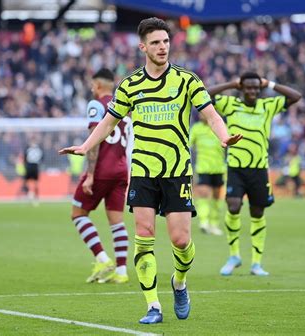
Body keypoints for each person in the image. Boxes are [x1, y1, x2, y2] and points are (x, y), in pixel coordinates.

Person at [59, 17, 242, 324]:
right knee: (144, 236)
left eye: (166, 42)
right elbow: (108, 122)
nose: (162, 47)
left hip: (177, 171)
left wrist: (224, 137)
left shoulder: (187, 80)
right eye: (155, 42)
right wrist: (84, 145)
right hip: (143, 171)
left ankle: (179, 283)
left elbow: (210, 115)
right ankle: (153, 306)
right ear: (143, 46)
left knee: (181, 241)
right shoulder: (131, 85)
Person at [208, 72, 301, 277]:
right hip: (236, 168)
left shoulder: (267, 106)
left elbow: (296, 97)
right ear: (242, 88)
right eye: (248, 87)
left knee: (257, 213)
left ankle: (256, 263)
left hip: (259, 170)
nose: (252, 91)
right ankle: (234, 255)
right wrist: (230, 84)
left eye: (256, 88)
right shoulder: (229, 104)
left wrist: (271, 84)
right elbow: (205, 95)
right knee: (233, 205)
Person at [70, 68, 131, 284]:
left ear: (97, 85)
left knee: (78, 213)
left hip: (102, 170)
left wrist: (90, 175)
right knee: (117, 222)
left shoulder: (96, 105)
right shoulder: (124, 108)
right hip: (121, 169)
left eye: (91, 84)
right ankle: (122, 272)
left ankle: (103, 259)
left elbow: (93, 143)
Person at [190, 112, 227, 235]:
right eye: (200, 113)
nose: (202, 115)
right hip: (203, 168)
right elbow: (188, 144)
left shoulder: (220, 127)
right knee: (204, 194)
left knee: (217, 197)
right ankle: (204, 222)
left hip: (219, 168)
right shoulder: (196, 128)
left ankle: (214, 224)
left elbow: (227, 142)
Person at [21, 135, 43, 205]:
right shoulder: (29, 149)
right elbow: (25, 158)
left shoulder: (37, 149)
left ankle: (35, 196)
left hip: (34, 166)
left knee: (35, 182)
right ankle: (29, 194)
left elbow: (42, 158)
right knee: (26, 182)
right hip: (30, 166)